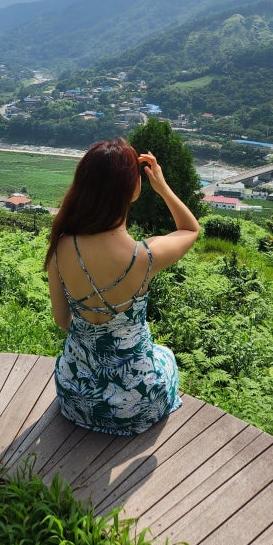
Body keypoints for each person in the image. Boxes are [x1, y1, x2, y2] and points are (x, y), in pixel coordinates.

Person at [45, 136, 200, 435]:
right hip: (136, 403)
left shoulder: (61, 245)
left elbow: (62, 321)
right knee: (165, 355)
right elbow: (190, 229)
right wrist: (162, 186)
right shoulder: (145, 256)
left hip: (75, 394)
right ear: (131, 189)